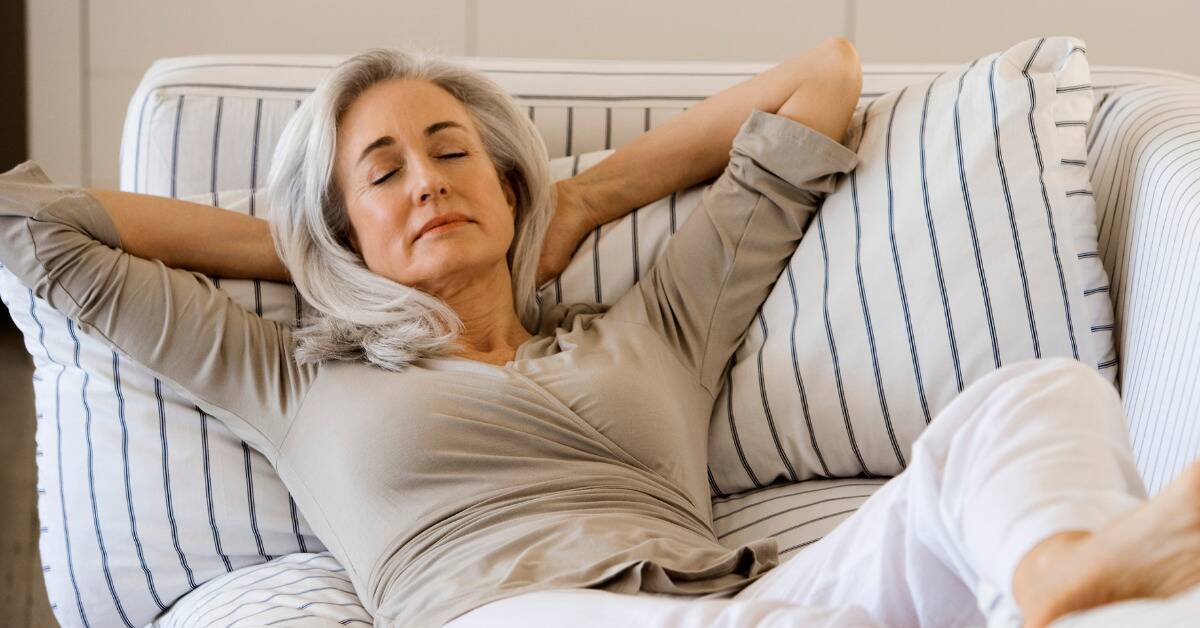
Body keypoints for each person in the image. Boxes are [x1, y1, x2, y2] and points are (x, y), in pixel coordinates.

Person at [1, 38, 1197, 628]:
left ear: (509, 180)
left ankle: (1054, 576)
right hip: (515, 618)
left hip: (743, 606)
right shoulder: (293, 377)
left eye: (453, 153)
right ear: (338, 222)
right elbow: (31, 221)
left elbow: (823, 81)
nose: (426, 181)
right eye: (385, 172)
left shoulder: (655, 329)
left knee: (1030, 393)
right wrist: (316, 255)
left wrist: (582, 198)